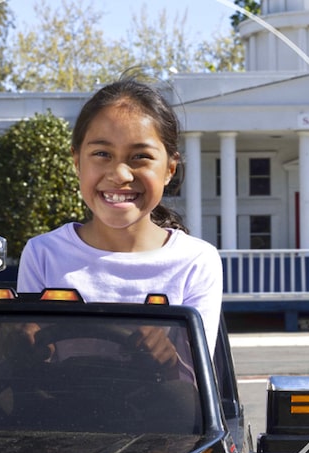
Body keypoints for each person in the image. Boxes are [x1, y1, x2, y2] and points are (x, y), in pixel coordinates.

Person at [17, 76, 223, 358]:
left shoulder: (196, 262)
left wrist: (169, 358)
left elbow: (193, 388)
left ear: (170, 169)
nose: (120, 175)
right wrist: (20, 347)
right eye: (102, 153)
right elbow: (30, 374)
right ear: (77, 162)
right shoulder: (43, 254)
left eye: (140, 156)